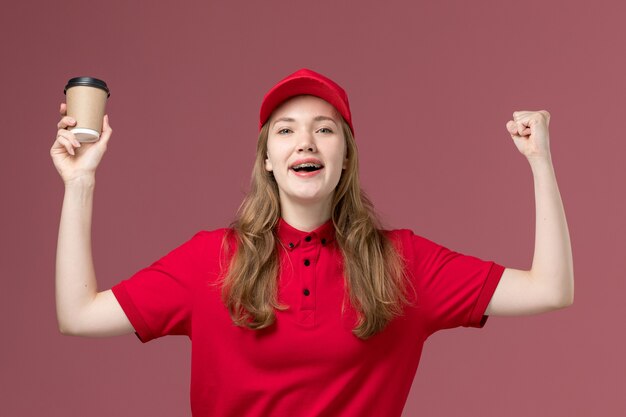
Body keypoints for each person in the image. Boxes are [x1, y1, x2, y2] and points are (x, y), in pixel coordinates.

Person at [51, 68, 574, 417]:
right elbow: (78, 315)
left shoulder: (403, 262)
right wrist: (80, 183)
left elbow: (551, 289)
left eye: (324, 129)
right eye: (285, 131)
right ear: (267, 161)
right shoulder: (210, 260)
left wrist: (540, 161)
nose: (305, 141)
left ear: (346, 156)